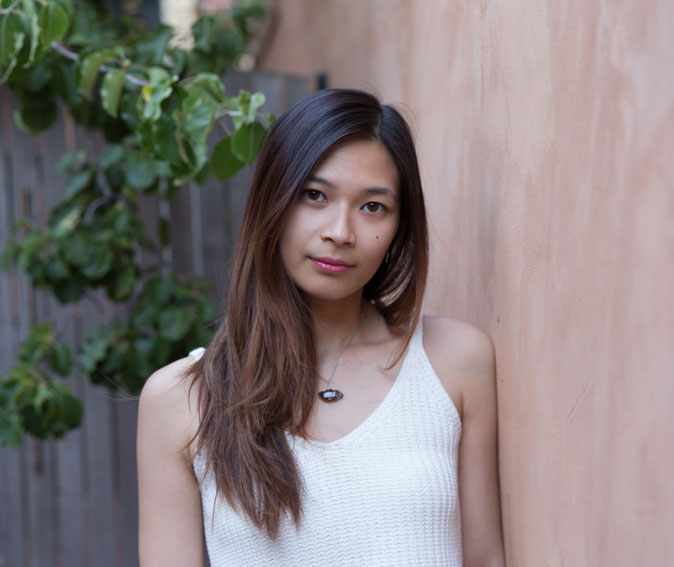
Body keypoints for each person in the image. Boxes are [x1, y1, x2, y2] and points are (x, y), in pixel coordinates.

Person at [137, 88, 505, 566]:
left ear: (399, 226)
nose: (340, 231)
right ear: (272, 201)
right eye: (315, 195)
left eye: (373, 206)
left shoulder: (456, 362)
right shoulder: (182, 401)